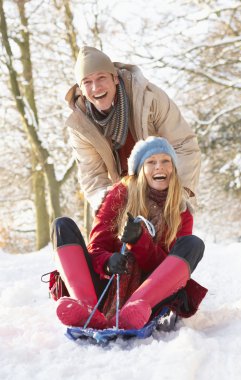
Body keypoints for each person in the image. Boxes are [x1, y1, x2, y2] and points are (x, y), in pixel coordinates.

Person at [50, 137, 207, 330]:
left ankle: (130, 312)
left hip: (149, 295)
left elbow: (167, 269)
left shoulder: (181, 210)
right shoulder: (119, 195)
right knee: (61, 225)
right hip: (107, 287)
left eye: (166, 161)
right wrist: (108, 262)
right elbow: (97, 247)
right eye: (151, 162)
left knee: (193, 244)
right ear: (140, 169)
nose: (160, 167)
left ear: (173, 168)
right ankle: (87, 308)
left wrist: (139, 242)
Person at [65, 46, 201, 213]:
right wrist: (110, 207)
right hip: (125, 193)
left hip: (163, 184)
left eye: (101, 77)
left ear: (114, 77)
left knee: (175, 236)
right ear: (81, 89)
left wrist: (179, 194)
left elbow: (184, 145)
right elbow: (93, 176)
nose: (96, 87)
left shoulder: (149, 98)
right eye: (87, 82)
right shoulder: (81, 125)